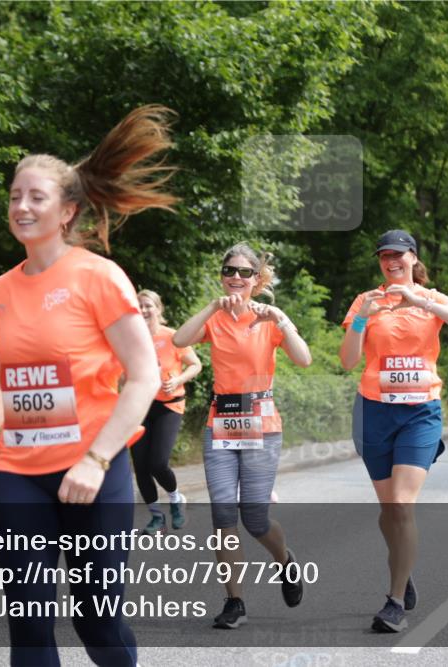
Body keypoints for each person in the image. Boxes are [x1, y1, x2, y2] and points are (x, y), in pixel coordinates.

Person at [0, 105, 175, 666]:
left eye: (36, 197)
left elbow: (144, 378)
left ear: (68, 210)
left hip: (94, 474)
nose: (21, 206)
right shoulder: (0, 290)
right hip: (20, 474)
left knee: (96, 621)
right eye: (14, 196)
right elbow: (8, 382)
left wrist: (95, 460)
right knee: (27, 628)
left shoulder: (98, 277)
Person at [339, 229, 448, 633]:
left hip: (420, 413)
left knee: (401, 505)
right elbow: (348, 360)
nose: (391, 261)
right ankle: (405, 566)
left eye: (399, 254)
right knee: (388, 513)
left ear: (414, 258)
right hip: (374, 412)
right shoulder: (367, 300)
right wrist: (364, 316)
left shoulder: (431, 299)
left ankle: (394, 600)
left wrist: (418, 299)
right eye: (384, 256)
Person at [173, 243, 312, 630]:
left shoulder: (269, 319)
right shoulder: (215, 319)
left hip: (262, 426)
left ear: (257, 279)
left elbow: (304, 358)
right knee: (222, 517)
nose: (235, 277)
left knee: (254, 518)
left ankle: (285, 561)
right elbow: (179, 341)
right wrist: (213, 307)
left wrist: (282, 320)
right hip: (221, 424)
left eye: (244, 272)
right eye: (229, 270)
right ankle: (235, 601)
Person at [134, 289, 202, 535]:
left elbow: (196, 364)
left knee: (157, 462)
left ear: (158, 309)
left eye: (148, 305)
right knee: (140, 466)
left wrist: (178, 379)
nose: (143, 310)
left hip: (169, 404)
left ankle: (176, 500)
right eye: (139, 305)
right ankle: (156, 518)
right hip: (141, 406)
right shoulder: (131, 338)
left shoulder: (172, 336)